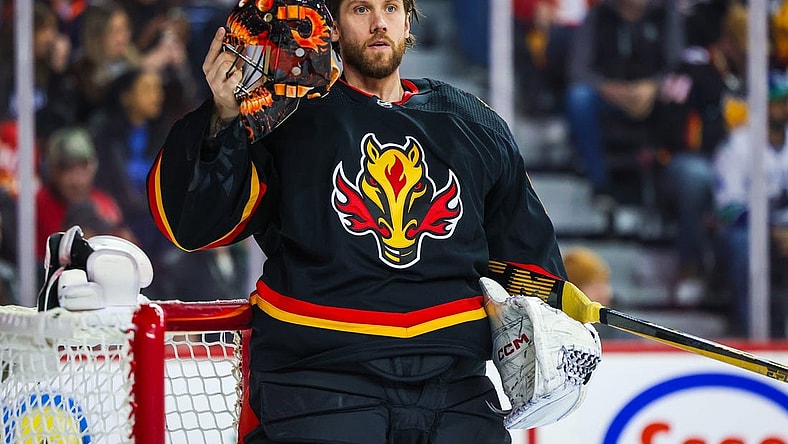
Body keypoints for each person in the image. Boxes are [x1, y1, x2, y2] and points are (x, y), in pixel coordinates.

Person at [147, 0, 587, 442]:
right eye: (361, 8)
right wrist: (221, 118)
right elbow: (191, 223)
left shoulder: (472, 122)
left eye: (391, 7)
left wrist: (551, 323)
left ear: (407, 19)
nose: (379, 22)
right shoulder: (286, 117)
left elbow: (530, 264)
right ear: (332, 27)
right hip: (321, 379)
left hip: (455, 387)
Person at [565, 0, 684, 203]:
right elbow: (578, 70)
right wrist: (608, 88)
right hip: (608, 97)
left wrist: (653, 86)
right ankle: (600, 182)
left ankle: (665, 185)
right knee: (579, 97)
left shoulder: (665, 16)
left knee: (678, 93)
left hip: (653, 99)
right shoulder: (598, 16)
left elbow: (678, 66)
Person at [713, 69, 788, 338]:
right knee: (742, 243)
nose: (784, 107)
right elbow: (728, 208)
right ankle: (750, 335)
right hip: (750, 232)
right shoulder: (739, 145)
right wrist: (770, 230)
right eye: (778, 100)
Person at [35, 127, 132, 268]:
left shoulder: (105, 204)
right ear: (52, 171)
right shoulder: (36, 206)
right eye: (67, 168)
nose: (77, 180)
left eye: (83, 166)